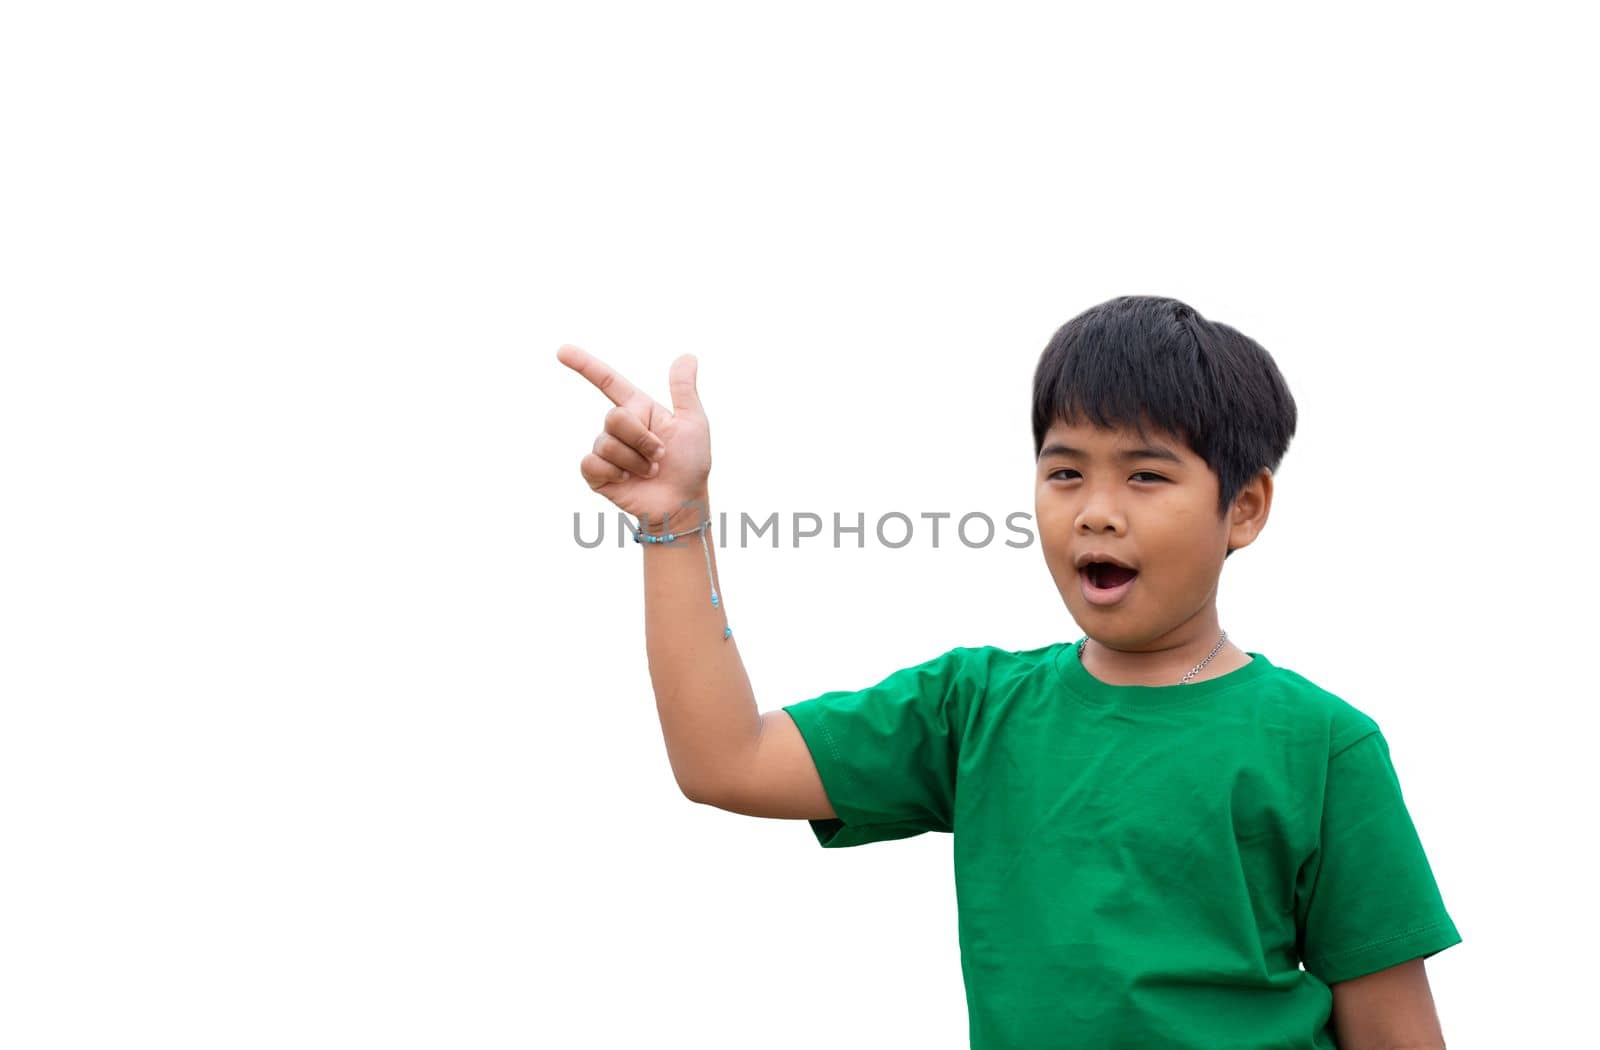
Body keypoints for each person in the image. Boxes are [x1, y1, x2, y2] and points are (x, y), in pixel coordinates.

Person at [557, 295, 1461, 1050]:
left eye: (1146, 477)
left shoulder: (1323, 745)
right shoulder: (975, 710)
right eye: (1065, 471)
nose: (1096, 512)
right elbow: (727, 760)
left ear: (1246, 507)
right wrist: (675, 520)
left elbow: (1394, 1034)